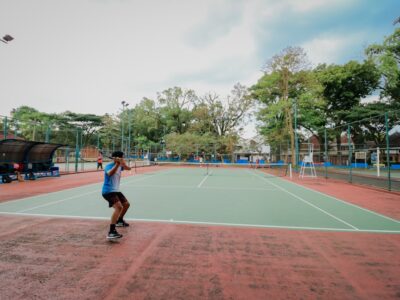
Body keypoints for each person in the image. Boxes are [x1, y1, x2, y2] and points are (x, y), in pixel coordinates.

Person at [101, 151, 131, 240]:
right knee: (119, 207)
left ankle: (120, 220)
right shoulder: (108, 166)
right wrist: (117, 164)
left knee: (126, 204)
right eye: (123, 157)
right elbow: (110, 173)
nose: (123, 158)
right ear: (118, 157)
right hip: (108, 191)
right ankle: (111, 231)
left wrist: (122, 163)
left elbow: (128, 168)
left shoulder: (120, 165)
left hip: (116, 191)